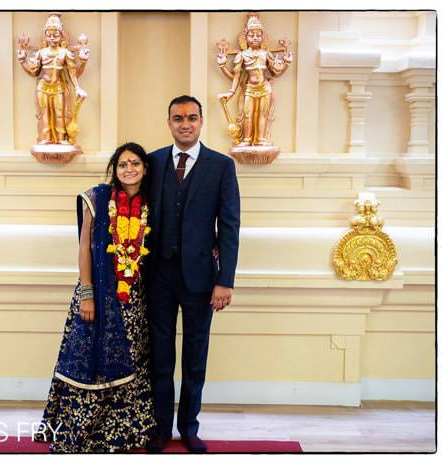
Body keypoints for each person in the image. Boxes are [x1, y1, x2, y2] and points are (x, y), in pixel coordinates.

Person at [34, 142, 157, 453]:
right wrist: (87, 294)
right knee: (90, 359)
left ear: (144, 169)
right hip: (98, 295)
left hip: (133, 300)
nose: (129, 169)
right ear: (114, 170)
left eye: (135, 164)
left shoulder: (150, 204)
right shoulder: (97, 198)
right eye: (123, 164)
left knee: (131, 361)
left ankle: (123, 434)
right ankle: (80, 433)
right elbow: (85, 248)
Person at [146, 95, 241, 453]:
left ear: (201, 122)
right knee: (160, 355)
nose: (185, 124)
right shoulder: (152, 162)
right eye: (177, 118)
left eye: (192, 117)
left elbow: (230, 225)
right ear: (168, 122)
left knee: (195, 356)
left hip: (202, 278)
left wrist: (225, 279)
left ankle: (188, 427)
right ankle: (159, 429)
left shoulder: (221, 166)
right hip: (158, 276)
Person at [217, 14, 292, 147]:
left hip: (264, 88)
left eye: (258, 35)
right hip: (249, 89)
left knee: (263, 114)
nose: (255, 38)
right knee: (248, 114)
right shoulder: (242, 55)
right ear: (245, 38)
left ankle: (261, 139)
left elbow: (276, 71)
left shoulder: (265, 54)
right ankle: (247, 139)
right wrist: (231, 91)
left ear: (263, 37)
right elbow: (236, 76)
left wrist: (286, 63)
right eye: (252, 35)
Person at [17, 13, 89, 145]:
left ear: (61, 35)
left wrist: (78, 86)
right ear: (45, 36)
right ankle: (45, 138)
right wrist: (22, 61)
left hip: (59, 87)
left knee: (59, 113)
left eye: (55, 34)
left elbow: (73, 73)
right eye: (49, 34)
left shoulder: (65, 53)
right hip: (43, 87)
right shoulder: (41, 53)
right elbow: (34, 72)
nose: (52, 37)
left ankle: (61, 138)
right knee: (44, 114)